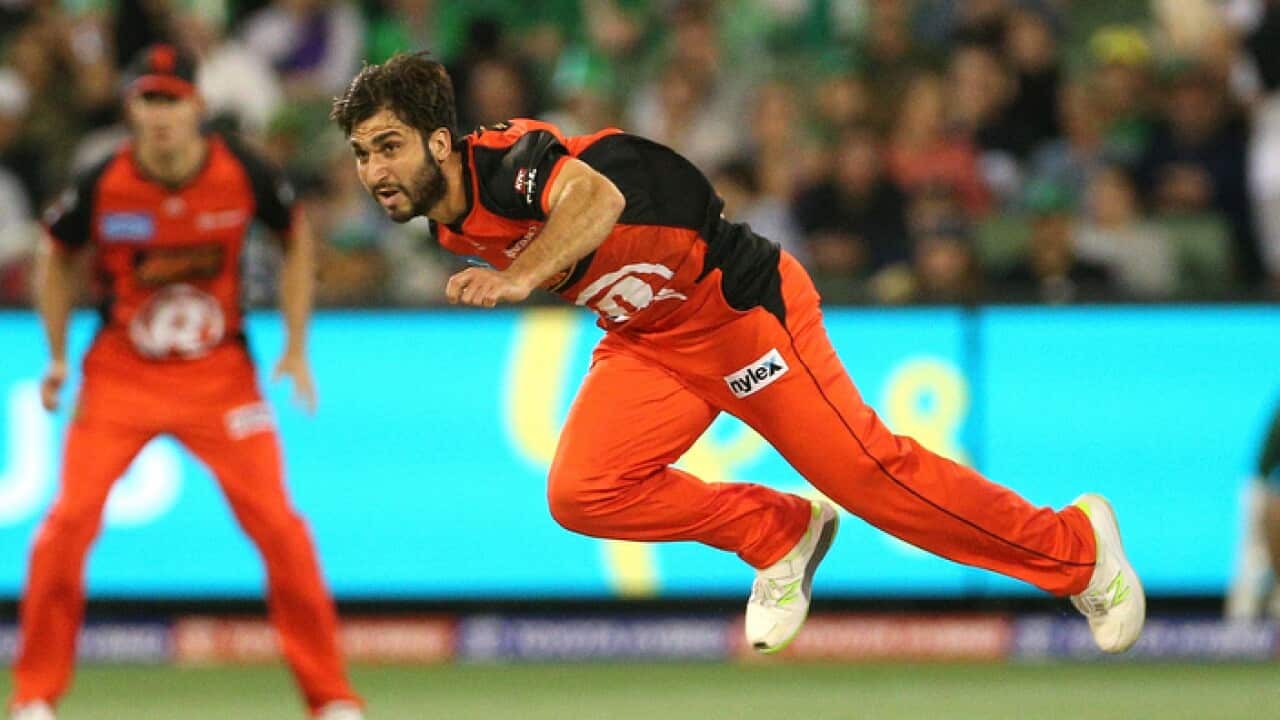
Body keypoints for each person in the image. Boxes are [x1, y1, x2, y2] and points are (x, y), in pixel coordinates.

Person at [330, 51, 1146, 655]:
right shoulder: (442, 221)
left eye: (388, 146)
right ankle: (777, 533)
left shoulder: (508, 160)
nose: (374, 171)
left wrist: (519, 280)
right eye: (363, 153)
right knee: (583, 491)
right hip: (648, 342)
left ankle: (1079, 549)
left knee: (872, 477)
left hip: (743, 313)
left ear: (441, 141)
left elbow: (596, 196)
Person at [9, 46, 362, 720]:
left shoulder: (244, 170)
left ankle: (332, 699)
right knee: (65, 528)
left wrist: (295, 346)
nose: (161, 115)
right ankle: (34, 698)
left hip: (220, 378)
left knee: (283, 532)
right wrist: (56, 356)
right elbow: (55, 257)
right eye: (149, 100)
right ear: (130, 107)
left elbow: (296, 239)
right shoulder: (102, 181)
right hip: (121, 376)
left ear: (197, 105)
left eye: (172, 100)